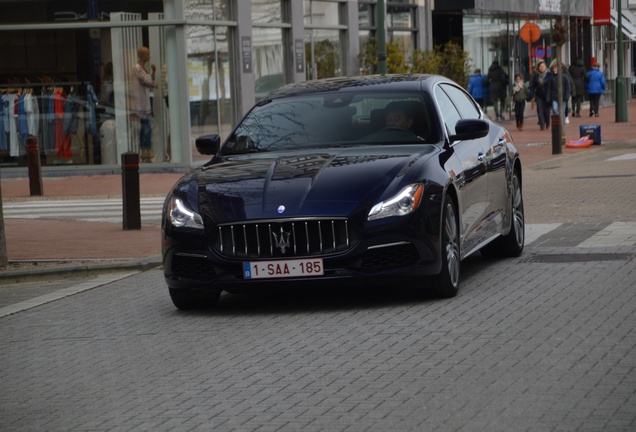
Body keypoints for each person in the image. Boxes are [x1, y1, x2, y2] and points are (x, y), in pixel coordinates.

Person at [132, 46, 158, 162]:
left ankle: (145, 152)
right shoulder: (137, 68)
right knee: (146, 128)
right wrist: (153, 85)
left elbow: (149, 80)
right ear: (142, 56)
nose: (149, 56)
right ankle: (147, 151)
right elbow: (146, 81)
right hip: (141, 104)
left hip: (146, 103)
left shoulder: (144, 68)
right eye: (147, 54)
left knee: (146, 128)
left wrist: (153, 72)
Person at [529, 60, 550, 130]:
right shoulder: (536, 76)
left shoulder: (549, 75)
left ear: (545, 67)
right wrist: (531, 96)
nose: (542, 68)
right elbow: (533, 86)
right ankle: (542, 124)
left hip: (547, 95)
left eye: (543, 66)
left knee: (547, 111)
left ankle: (547, 122)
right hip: (539, 95)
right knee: (540, 110)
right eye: (540, 66)